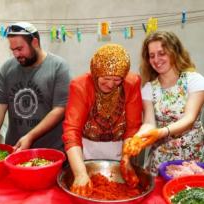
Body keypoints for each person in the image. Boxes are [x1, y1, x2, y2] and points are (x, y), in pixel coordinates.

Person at [0, 22, 71, 154]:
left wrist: (30, 136)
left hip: (51, 151)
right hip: (15, 150)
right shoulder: (7, 69)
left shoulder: (58, 67)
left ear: (34, 42)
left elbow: (60, 109)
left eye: (20, 49)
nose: (16, 54)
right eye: (13, 50)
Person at [62, 44, 143, 195]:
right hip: (86, 151)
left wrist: (126, 159)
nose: (111, 85)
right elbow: (72, 131)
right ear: (95, 72)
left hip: (121, 148)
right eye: (105, 78)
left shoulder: (132, 83)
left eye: (117, 79)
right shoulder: (81, 86)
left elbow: (133, 127)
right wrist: (80, 173)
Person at [123, 31, 204, 176]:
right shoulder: (149, 88)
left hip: (191, 161)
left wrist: (161, 132)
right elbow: (149, 122)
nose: (156, 59)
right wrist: (138, 137)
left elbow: (189, 118)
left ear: (174, 52)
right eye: (152, 55)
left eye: (162, 53)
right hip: (161, 160)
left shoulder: (194, 80)